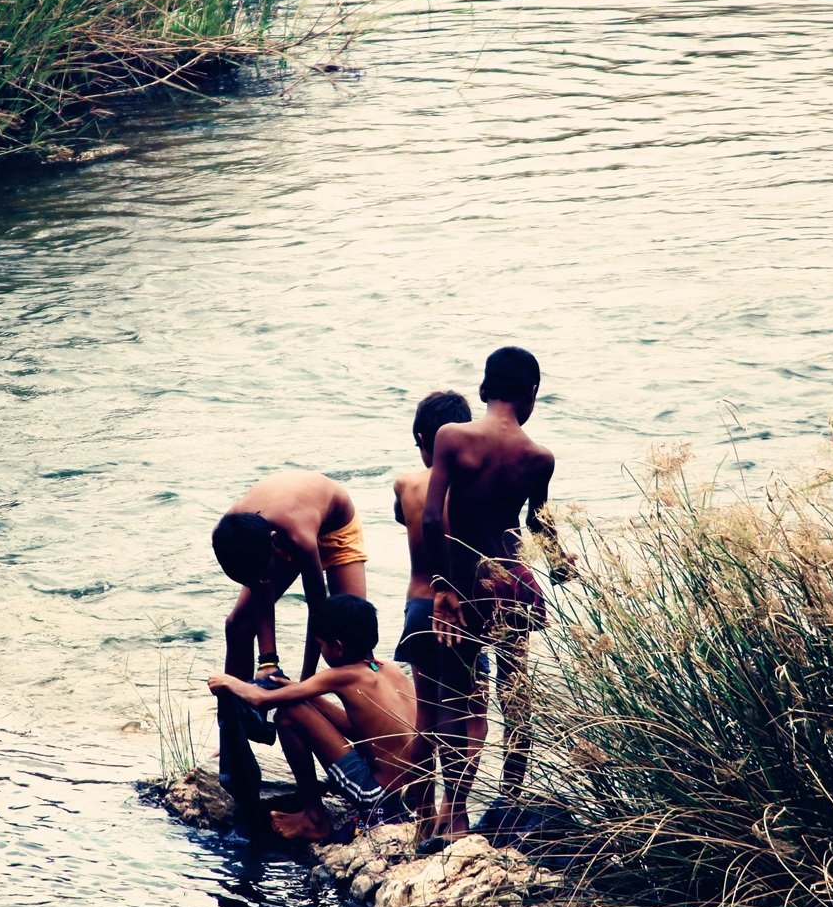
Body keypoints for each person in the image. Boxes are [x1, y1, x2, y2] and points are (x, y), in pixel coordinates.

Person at [420, 346, 566, 842]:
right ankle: (509, 803)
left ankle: (456, 815)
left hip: (465, 587)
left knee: (459, 698)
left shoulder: (452, 438)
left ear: (483, 390)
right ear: (532, 394)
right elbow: (537, 525)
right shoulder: (538, 458)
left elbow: (433, 516)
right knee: (514, 693)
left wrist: (441, 588)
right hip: (513, 585)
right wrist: (562, 561)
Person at [208, 593, 423, 842]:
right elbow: (361, 731)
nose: (320, 651)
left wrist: (227, 681)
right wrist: (298, 691)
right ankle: (313, 815)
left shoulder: (341, 675)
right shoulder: (390, 670)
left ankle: (313, 818)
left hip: (377, 797)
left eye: (321, 645)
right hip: (413, 797)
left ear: (338, 647)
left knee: (288, 714)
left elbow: (260, 700)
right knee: (298, 704)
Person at [391, 390, 481, 842]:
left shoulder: (405, 485)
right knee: (471, 713)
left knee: (427, 716)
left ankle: (420, 807)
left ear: (426, 438)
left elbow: (404, 521)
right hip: (456, 611)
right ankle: (455, 812)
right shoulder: (472, 486)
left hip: (417, 605)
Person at [212, 472, 367, 685]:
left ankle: (368, 710)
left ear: (275, 544)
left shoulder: (298, 538)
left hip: (335, 523)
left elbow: (317, 611)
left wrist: (303, 686)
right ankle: (239, 713)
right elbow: (260, 586)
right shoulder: (227, 535)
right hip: (282, 522)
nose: (260, 583)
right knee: (239, 625)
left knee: (349, 636)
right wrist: (268, 662)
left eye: (263, 576)